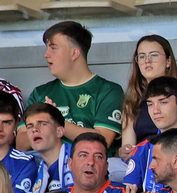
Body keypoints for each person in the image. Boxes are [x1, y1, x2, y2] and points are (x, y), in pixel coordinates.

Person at [31, 22, 123, 152]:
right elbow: (21, 145)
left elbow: (103, 140)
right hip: (45, 165)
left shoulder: (108, 91)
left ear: (74, 53)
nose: (46, 54)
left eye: (53, 48)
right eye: (47, 48)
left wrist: (54, 119)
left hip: (90, 167)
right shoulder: (40, 93)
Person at [121, 35, 177, 150]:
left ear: (168, 61)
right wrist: (125, 151)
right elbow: (127, 145)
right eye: (142, 57)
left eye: (154, 55)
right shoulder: (133, 99)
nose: (147, 61)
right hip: (138, 159)